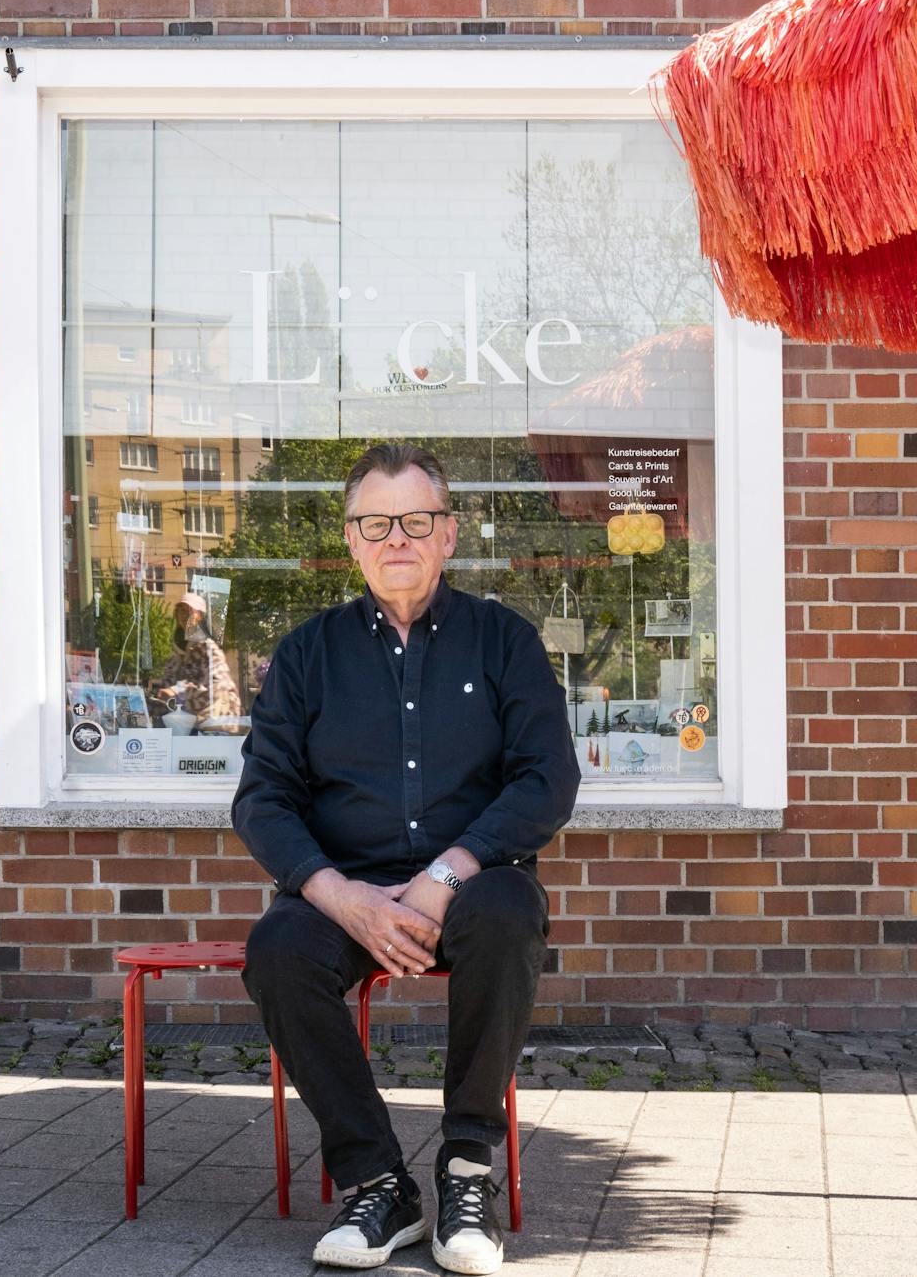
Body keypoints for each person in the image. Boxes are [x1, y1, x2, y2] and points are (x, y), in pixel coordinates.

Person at [233, 442, 579, 1275]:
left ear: (448, 535)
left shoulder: (504, 642)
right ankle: (379, 1182)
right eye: (377, 523)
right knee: (278, 949)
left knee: (510, 914)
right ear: (351, 540)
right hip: (346, 888)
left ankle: (468, 1171)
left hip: (473, 884)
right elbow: (262, 799)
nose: (398, 538)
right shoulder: (307, 655)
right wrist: (341, 896)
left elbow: (548, 779)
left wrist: (446, 875)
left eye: (417, 521)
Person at [148, 590, 242, 725]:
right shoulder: (177, 651)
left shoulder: (208, 647)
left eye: (189, 610)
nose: (184, 614)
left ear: (200, 616)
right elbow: (167, 687)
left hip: (219, 719)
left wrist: (176, 691)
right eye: (181, 610)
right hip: (191, 720)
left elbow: (216, 686)